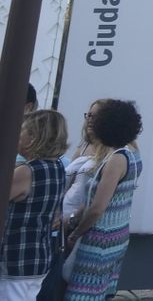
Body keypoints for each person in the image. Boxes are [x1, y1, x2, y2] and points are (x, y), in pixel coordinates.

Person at [63, 98, 143, 301]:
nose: (91, 123)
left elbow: (98, 207)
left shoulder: (116, 158)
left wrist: (75, 233)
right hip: (117, 236)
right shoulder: (132, 155)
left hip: (99, 240)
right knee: (102, 293)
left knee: (82, 294)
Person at [2, 109, 67, 300]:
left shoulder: (26, 171)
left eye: (22, 130)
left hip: (16, 257)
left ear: (33, 136)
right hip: (39, 254)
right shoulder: (57, 167)